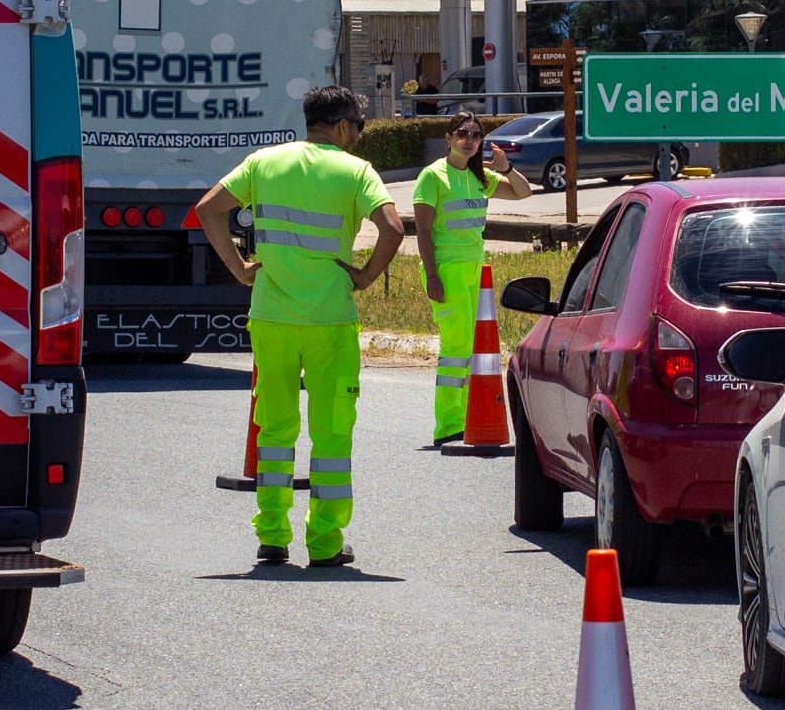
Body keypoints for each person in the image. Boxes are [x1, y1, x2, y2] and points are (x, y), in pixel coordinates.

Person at [196, 87, 407, 569]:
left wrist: (240, 268)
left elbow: (208, 209)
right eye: (359, 125)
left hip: (271, 315)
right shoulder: (356, 171)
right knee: (331, 433)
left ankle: (272, 535)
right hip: (329, 319)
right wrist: (365, 276)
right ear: (341, 125)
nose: (360, 134)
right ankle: (325, 541)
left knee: (275, 427)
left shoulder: (264, 162)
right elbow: (394, 228)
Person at [412, 110, 534, 444]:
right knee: (457, 346)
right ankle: (448, 424)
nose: (470, 140)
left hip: (476, 270)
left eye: (477, 135)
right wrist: (432, 276)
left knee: (475, 346)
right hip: (447, 269)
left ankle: (466, 416)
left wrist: (505, 167)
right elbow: (422, 231)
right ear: (448, 138)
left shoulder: (480, 176)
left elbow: (523, 192)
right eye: (463, 134)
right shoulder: (432, 176)